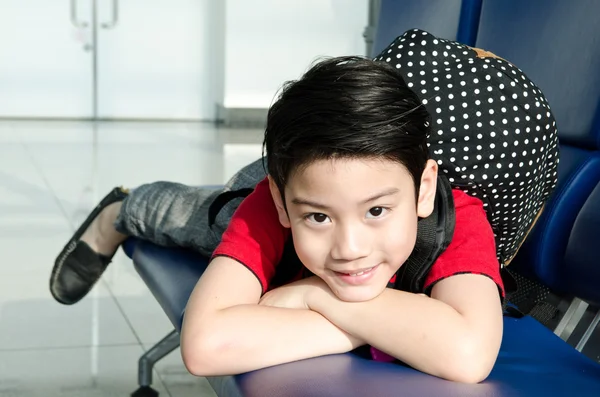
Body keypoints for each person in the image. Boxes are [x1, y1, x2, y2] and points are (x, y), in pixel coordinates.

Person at [50, 30, 558, 384]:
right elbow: (206, 345)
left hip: (310, 221)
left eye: (377, 212)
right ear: (284, 203)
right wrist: (397, 326)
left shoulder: (455, 216)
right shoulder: (268, 205)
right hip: (267, 199)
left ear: (425, 190)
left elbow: (468, 354)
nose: (350, 248)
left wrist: (316, 296)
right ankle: (120, 209)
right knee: (189, 217)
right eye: (320, 217)